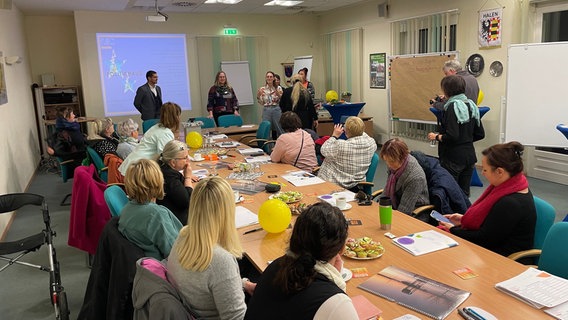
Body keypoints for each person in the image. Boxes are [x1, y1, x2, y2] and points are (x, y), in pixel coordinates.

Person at [244, 202, 357, 320]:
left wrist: (333, 283)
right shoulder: (335, 303)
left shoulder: (275, 266)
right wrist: (336, 287)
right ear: (342, 249)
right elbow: (334, 307)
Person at [167, 176, 254, 320]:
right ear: (227, 211)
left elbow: (205, 280)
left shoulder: (185, 234)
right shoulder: (220, 260)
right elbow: (236, 318)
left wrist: (243, 284)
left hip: (193, 308)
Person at [438, 141, 536, 258]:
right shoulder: (515, 185)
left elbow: (485, 239)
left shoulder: (510, 203)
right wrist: (463, 220)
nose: (482, 173)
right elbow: (493, 224)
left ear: (500, 171)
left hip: (503, 259)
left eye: (485, 170)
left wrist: (454, 230)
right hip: (492, 248)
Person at [427, 75, 484, 197]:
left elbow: (452, 136)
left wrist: (436, 137)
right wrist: (465, 140)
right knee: (464, 194)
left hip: (453, 158)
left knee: (450, 193)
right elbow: (480, 134)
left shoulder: (453, 107)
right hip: (469, 156)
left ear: (447, 90)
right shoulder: (471, 105)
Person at [118, 159, 183, 260]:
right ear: (158, 182)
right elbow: (177, 254)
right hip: (166, 267)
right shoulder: (156, 215)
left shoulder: (125, 210)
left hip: (145, 267)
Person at [119, 102, 181, 176]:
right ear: (176, 117)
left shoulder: (156, 127)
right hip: (137, 171)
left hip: (132, 167)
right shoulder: (165, 133)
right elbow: (167, 159)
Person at [318, 116, 377, 192]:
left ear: (345, 131)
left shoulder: (340, 145)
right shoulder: (371, 143)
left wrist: (334, 136)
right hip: (356, 185)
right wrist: (356, 128)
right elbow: (363, 134)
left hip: (334, 186)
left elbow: (323, 150)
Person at [379, 138, 430, 215]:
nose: (388, 165)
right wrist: (379, 205)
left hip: (414, 214)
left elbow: (405, 210)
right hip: (396, 206)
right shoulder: (394, 166)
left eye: (391, 162)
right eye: (386, 161)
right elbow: (387, 190)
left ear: (402, 157)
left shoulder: (415, 177)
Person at [156, 140, 197, 225]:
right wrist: (188, 178)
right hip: (178, 223)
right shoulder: (169, 177)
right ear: (173, 162)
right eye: (185, 158)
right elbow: (188, 202)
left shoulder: (163, 167)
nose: (188, 160)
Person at [257, 71, 283, 137]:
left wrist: (278, 94)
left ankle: (282, 144)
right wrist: (258, 95)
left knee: (279, 127)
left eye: (271, 77)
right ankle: (267, 146)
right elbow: (261, 102)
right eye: (267, 77)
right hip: (267, 109)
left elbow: (282, 100)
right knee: (266, 128)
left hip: (276, 108)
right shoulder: (262, 89)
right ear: (266, 78)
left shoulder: (278, 88)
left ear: (274, 78)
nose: (269, 78)